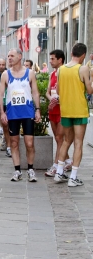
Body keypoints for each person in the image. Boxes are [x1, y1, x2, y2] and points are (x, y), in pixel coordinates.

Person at [0, 48, 40, 182]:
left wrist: (37, 109)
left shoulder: (30, 73)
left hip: (27, 112)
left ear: (20, 56)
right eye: (8, 56)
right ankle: (17, 170)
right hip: (13, 113)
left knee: (29, 142)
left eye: (12, 56)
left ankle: (31, 169)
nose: (9, 58)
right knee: (14, 142)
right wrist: (2, 112)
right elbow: (0, 95)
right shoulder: (6, 74)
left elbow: (35, 92)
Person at [54, 43, 93, 187]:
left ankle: (59, 172)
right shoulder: (83, 68)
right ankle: (73, 177)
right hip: (79, 110)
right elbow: (89, 91)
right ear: (83, 55)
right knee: (78, 143)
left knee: (66, 141)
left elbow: (57, 91)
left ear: (71, 53)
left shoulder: (61, 70)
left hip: (66, 110)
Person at [45, 49, 72, 177]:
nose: (50, 61)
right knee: (57, 138)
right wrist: (52, 100)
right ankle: (67, 160)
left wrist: (59, 100)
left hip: (63, 109)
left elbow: (69, 92)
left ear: (60, 60)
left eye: (52, 59)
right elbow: (47, 92)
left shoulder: (66, 73)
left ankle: (56, 166)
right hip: (53, 109)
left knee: (60, 138)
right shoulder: (52, 74)